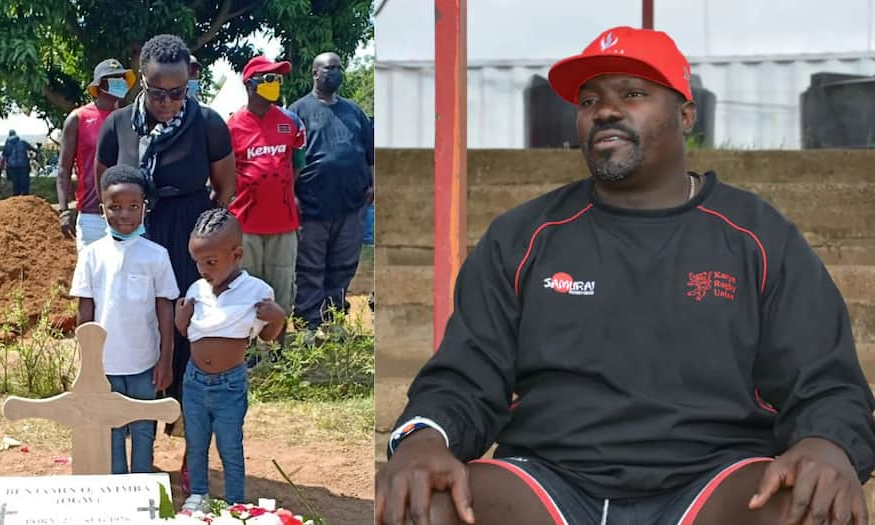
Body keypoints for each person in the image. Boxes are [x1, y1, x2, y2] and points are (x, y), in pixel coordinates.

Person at [375, 26, 875, 525]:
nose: (606, 111)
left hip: (716, 482)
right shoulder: (523, 236)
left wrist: (827, 443)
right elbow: (464, 375)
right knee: (423, 501)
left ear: (685, 113)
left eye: (632, 94)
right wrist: (424, 440)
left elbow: (826, 383)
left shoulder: (757, 235)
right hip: (549, 480)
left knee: (815, 503)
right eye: (590, 100)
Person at [95, 33, 236, 473]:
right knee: (137, 330)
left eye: (178, 92)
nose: (169, 102)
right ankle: (136, 448)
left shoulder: (209, 123)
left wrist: (207, 237)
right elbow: (107, 183)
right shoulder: (117, 125)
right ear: (143, 82)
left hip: (186, 238)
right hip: (136, 238)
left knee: (186, 335)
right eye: (158, 92)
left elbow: (226, 186)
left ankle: (189, 455)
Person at [69, 164, 179, 475]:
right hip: (104, 364)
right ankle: (117, 487)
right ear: (102, 210)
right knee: (110, 429)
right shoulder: (91, 255)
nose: (124, 215)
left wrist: (165, 359)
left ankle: (142, 481)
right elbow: (85, 309)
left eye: (133, 207)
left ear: (145, 208)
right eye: (115, 207)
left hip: (145, 362)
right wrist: (87, 359)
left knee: (144, 426)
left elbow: (165, 309)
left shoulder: (156, 255)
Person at [174, 207, 286, 509]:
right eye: (197, 262)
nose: (203, 270)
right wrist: (179, 318)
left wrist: (278, 319)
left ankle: (236, 502)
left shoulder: (256, 291)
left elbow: (266, 337)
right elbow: (187, 332)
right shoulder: (197, 289)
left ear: (236, 254)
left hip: (230, 385)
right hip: (194, 381)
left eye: (210, 262)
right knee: (196, 444)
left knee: (229, 445)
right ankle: (198, 494)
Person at [289, 52, 374, 330]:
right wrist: (293, 195)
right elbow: (289, 160)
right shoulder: (297, 111)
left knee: (343, 266)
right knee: (310, 269)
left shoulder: (354, 112)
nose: (335, 73)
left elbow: (370, 154)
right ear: (315, 73)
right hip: (312, 208)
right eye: (329, 68)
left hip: (351, 206)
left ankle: (334, 319)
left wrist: (373, 184)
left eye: (339, 68)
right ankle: (307, 326)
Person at [227, 55, 306, 354]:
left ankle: (276, 351)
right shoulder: (231, 126)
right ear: (250, 85)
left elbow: (297, 165)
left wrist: (278, 189)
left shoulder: (290, 123)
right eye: (269, 79)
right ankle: (248, 352)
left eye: (278, 79)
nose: (276, 85)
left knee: (282, 288)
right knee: (247, 288)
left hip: (284, 223)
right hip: (244, 223)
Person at [57, 58, 138, 251]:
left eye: (122, 79)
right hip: (92, 214)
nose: (121, 83)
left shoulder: (132, 118)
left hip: (127, 214)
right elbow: (63, 169)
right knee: (91, 275)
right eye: (114, 79)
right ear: (100, 85)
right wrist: (64, 210)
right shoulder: (78, 119)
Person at [1, 129, 38, 196]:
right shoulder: (23, 142)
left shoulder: (7, 144)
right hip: (24, 166)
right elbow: (33, 149)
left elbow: (4, 156)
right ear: (16, 134)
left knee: (16, 184)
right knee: (25, 183)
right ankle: (25, 199)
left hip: (12, 167)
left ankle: (16, 200)